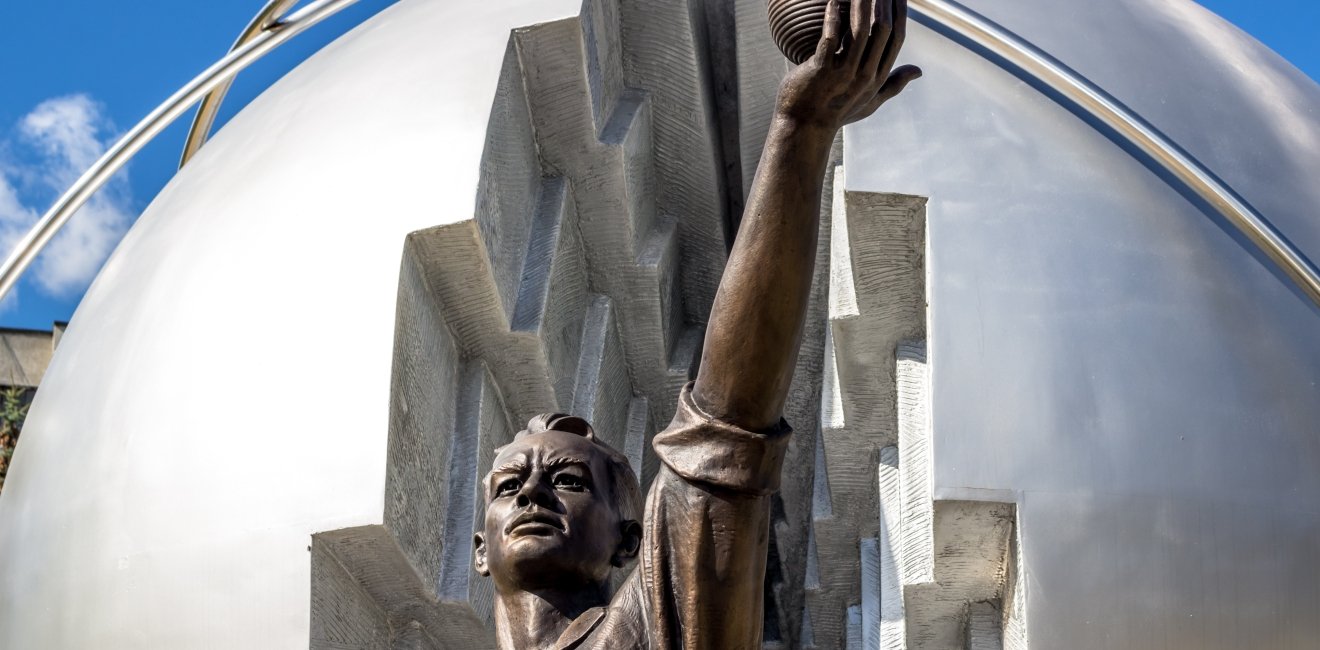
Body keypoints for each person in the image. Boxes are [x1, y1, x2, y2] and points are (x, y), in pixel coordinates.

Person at [472, 1, 921, 646]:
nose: (533, 493)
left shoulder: (647, 630)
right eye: (512, 483)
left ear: (632, 540)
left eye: (568, 481)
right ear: (479, 548)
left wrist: (801, 127)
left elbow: (722, 436)